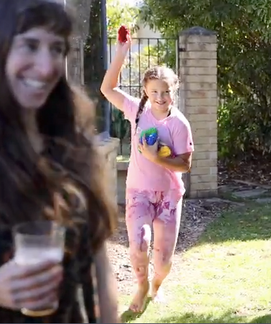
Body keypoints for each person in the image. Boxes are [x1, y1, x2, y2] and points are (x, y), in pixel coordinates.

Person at [0, 0, 120, 322]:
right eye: (30, 45)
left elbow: (99, 264)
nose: (46, 66)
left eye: (56, 48)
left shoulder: (72, 142)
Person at [101, 36, 194, 312]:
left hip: (168, 196)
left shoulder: (179, 124)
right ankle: (141, 285)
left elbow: (185, 165)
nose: (160, 98)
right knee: (139, 243)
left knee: (164, 261)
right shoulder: (137, 111)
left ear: (173, 91)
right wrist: (122, 51)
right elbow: (107, 88)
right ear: (145, 91)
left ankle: (156, 284)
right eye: (154, 92)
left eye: (165, 92)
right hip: (138, 191)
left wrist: (156, 157)